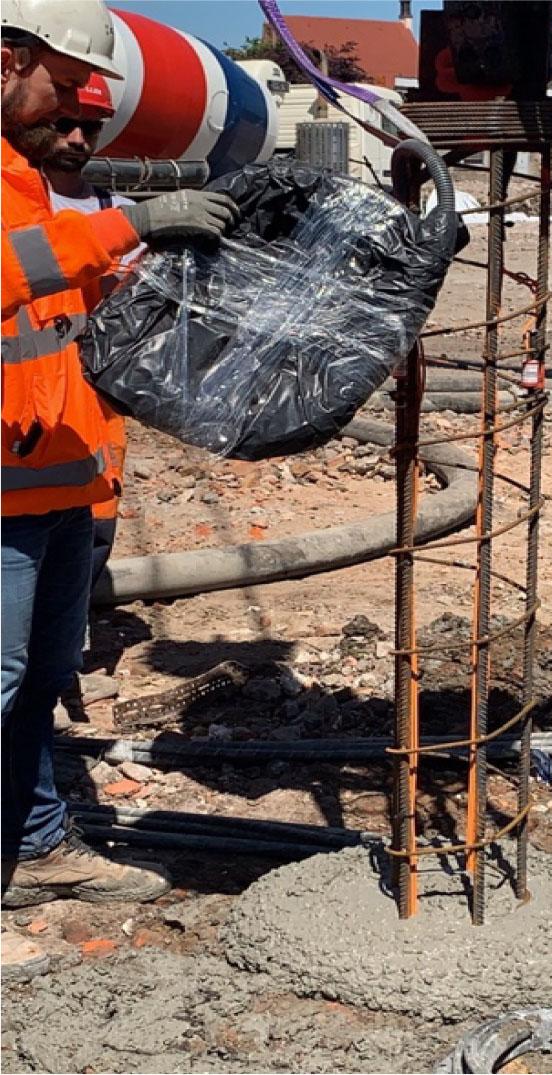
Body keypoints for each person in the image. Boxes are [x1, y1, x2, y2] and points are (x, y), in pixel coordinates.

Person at [1, 0, 239, 981]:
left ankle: (36, 843)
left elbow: (54, 319)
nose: (79, 115)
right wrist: (123, 225)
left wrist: (142, 267)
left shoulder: (27, 188)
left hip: (54, 492)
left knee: (34, 687)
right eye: (66, 89)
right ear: (8, 61)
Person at [43, 73, 143, 598]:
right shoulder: (19, 207)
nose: (78, 140)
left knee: (94, 523)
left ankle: (69, 634)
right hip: (29, 399)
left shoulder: (120, 215)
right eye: (65, 124)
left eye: (90, 127)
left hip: (96, 408)